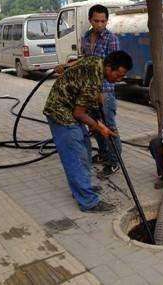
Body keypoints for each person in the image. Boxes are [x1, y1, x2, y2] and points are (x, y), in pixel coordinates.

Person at [44, 51, 133, 213]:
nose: (118, 80)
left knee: (85, 148)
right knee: (76, 155)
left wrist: (99, 94)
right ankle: (88, 202)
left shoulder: (97, 61)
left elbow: (77, 64)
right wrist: (100, 126)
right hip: (61, 112)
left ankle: (82, 187)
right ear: (108, 68)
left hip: (69, 107)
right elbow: (80, 113)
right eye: (118, 75)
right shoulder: (93, 81)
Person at [81, 4, 122, 178]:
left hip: (104, 91)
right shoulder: (86, 37)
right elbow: (84, 60)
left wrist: (101, 89)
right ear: (90, 20)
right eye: (96, 21)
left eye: (103, 21)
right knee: (96, 126)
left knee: (109, 126)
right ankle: (104, 155)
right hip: (89, 90)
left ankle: (114, 162)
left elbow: (113, 68)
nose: (100, 24)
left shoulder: (111, 39)